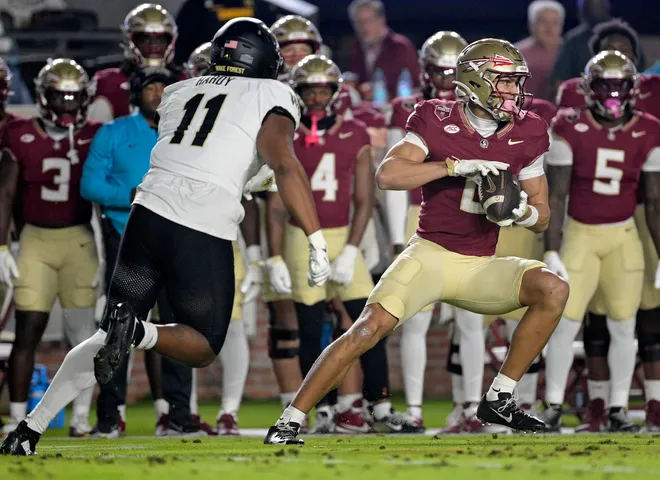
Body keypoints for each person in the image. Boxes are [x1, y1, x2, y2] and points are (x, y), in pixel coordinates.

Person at [0, 17, 331, 456]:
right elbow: (285, 163)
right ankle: (138, 332)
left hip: (146, 214)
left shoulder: (180, 91)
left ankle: (28, 429)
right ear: (265, 63)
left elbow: (200, 150)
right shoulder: (270, 93)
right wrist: (315, 236)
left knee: (105, 336)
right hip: (199, 222)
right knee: (203, 344)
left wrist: (248, 180)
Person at [265, 38, 570, 445]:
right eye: (505, 82)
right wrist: (452, 166)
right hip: (430, 255)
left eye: (516, 82)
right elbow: (388, 176)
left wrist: (520, 213)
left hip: (480, 264)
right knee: (365, 330)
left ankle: (499, 397)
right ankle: (289, 420)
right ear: (476, 81)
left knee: (553, 288)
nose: (514, 92)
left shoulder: (529, 130)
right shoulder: (435, 117)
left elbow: (542, 212)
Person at [542, 51, 660, 434]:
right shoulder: (569, 125)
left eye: (619, 84)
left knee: (625, 326)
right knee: (563, 323)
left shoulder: (649, 129)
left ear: (631, 88)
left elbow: (655, 201)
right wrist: (552, 248)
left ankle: (618, 409)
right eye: (604, 84)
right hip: (580, 232)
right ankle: (554, 406)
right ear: (589, 87)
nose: (612, 92)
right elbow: (556, 196)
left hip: (623, 233)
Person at [385, 30, 489, 434]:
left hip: (469, 217)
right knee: (415, 320)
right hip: (422, 217)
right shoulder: (411, 109)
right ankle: (413, 409)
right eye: (439, 74)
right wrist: (396, 235)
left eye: (453, 74)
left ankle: (471, 409)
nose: (446, 84)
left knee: (470, 319)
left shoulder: (483, 109)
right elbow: (396, 172)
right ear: (425, 72)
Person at [0, 59, 102, 438]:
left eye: (75, 98)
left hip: (79, 238)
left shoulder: (94, 134)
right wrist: (2, 245)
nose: (68, 105)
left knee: (84, 335)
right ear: (44, 97)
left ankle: (79, 419)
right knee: (28, 330)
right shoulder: (18, 132)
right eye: (60, 97)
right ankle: (15, 417)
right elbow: (6, 193)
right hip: (35, 240)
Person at [88, 3, 178, 123]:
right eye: (145, 40)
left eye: (160, 40)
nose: (153, 47)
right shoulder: (108, 82)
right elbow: (95, 133)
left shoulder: (185, 81)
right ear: (130, 41)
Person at [348, 0, 419, 102]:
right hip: (369, 111)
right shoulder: (356, 49)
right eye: (359, 22)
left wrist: (382, 92)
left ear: (381, 19)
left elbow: (414, 85)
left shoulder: (400, 46)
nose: (363, 27)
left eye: (368, 21)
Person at [548, 0, 613, 97]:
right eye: (590, 4)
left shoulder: (624, 36)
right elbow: (559, 83)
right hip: (581, 104)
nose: (595, 6)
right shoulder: (573, 40)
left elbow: (640, 74)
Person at [515, 0, 565, 99]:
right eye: (543, 22)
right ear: (531, 24)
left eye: (555, 22)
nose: (549, 28)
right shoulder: (515, 53)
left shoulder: (569, 52)